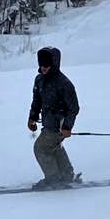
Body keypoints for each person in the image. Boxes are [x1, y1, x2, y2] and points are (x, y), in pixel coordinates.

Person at [27, 46, 80, 189]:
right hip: (48, 122)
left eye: (47, 64)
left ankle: (53, 178)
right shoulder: (39, 80)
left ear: (54, 63)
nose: (43, 67)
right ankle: (66, 174)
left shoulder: (64, 84)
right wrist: (32, 118)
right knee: (52, 147)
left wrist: (67, 126)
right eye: (41, 64)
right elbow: (36, 101)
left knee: (41, 148)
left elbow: (73, 108)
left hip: (59, 125)